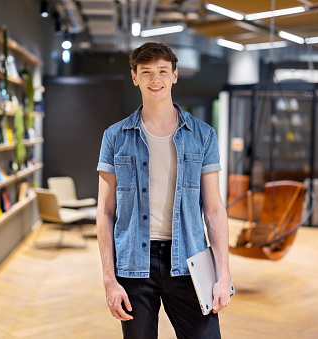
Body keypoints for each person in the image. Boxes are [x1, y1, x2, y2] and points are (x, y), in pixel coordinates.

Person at [96, 42, 231, 339]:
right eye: (146, 72)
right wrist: (109, 279)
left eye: (162, 71)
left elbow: (214, 209)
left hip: (190, 263)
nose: (155, 79)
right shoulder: (115, 137)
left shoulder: (203, 136)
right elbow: (105, 212)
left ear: (175, 75)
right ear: (135, 77)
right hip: (133, 265)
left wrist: (223, 275)